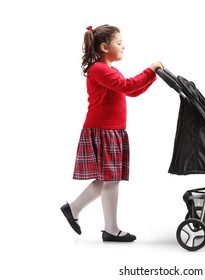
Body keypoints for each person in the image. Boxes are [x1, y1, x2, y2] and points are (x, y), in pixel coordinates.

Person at [61, 24, 164, 242]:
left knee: (107, 179)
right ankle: (110, 227)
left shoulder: (108, 69)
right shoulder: (99, 69)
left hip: (111, 130)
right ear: (104, 46)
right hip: (103, 130)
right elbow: (127, 86)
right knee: (110, 179)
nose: (123, 46)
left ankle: (75, 209)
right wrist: (150, 70)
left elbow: (132, 91)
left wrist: (152, 75)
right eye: (119, 43)